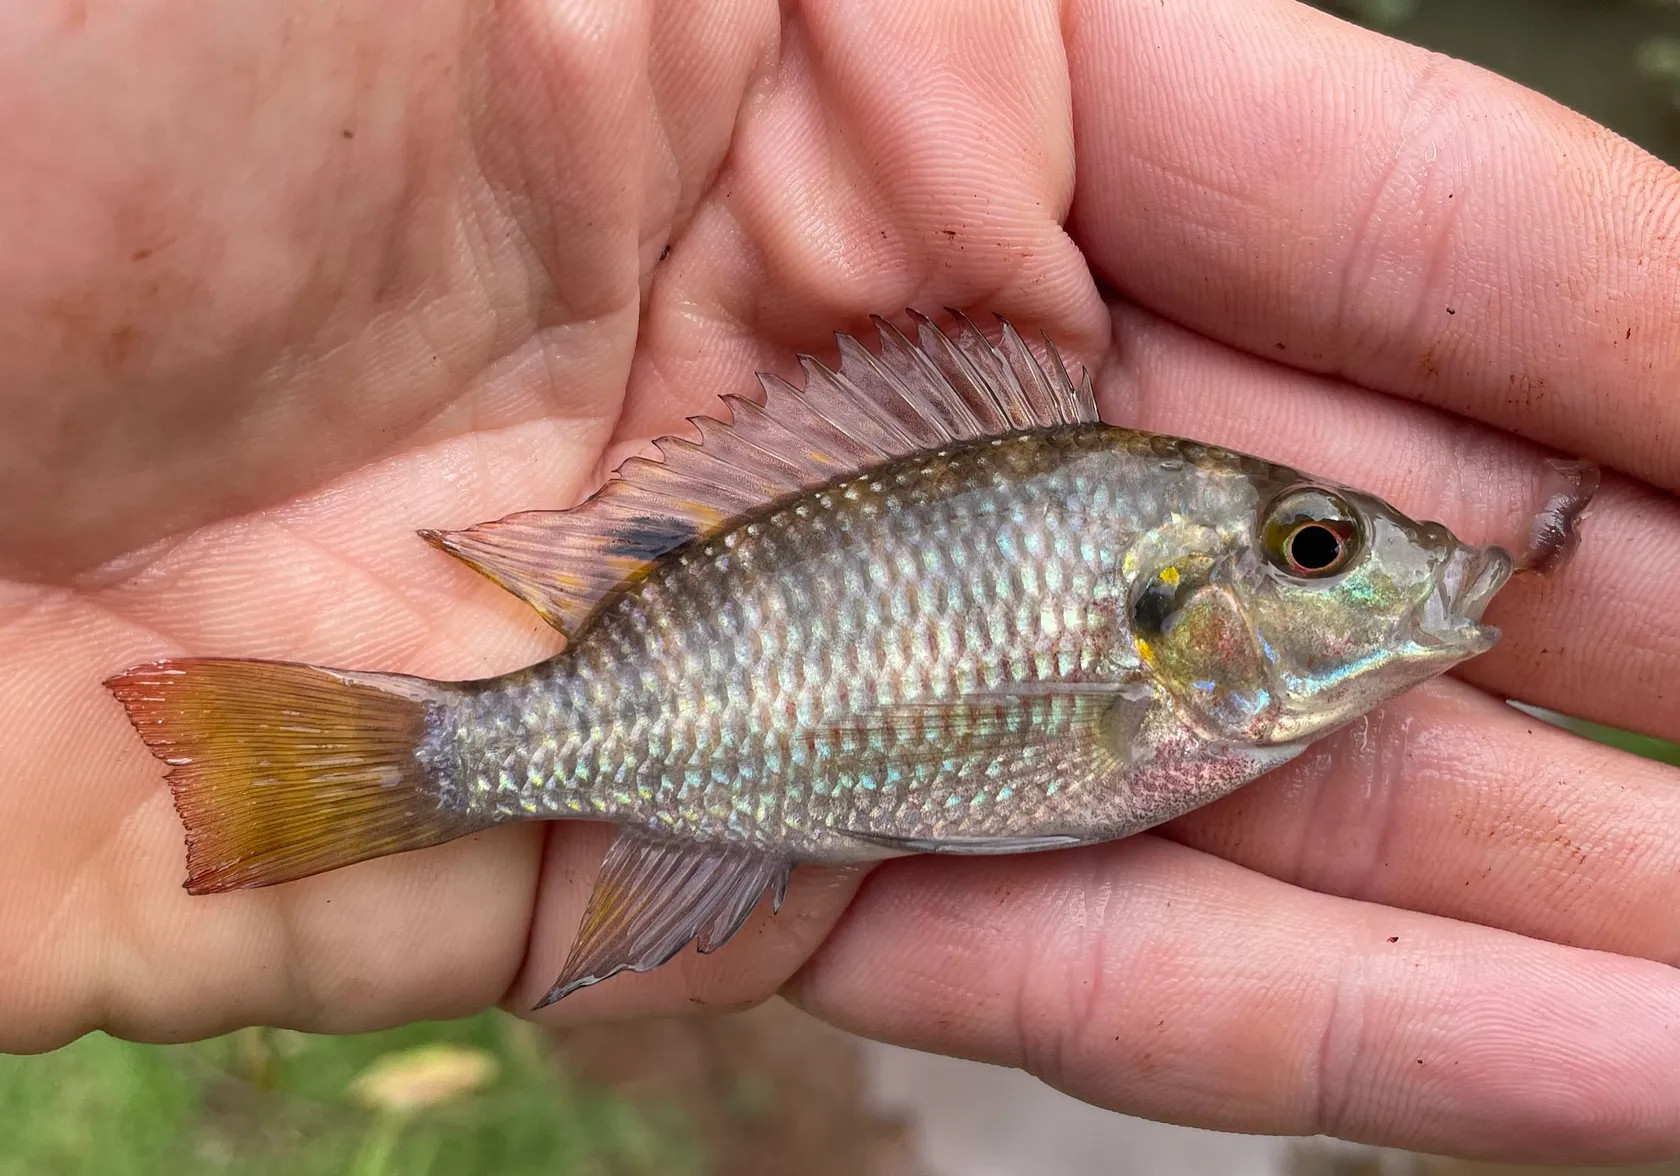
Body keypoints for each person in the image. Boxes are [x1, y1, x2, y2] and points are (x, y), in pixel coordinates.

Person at [3, 0, 1677, 1162]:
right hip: (664, 719)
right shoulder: (1151, 683)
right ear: (1188, 610)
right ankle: (409, 757)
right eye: (1317, 549)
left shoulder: (1192, 668)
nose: (1368, 572)